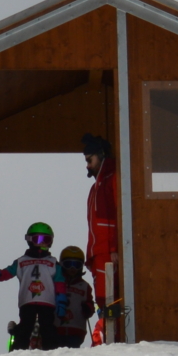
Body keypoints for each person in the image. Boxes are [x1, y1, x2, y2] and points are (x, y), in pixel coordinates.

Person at [0, 222, 62, 351]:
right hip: (27, 300)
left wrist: (61, 300)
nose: (42, 243)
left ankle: (51, 351)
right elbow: (6, 273)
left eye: (46, 240)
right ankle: (19, 350)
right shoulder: (21, 261)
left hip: (47, 301)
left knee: (47, 326)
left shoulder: (53, 262)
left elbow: (60, 282)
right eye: (38, 239)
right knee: (26, 325)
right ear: (30, 240)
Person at [81, 135, 121, 337]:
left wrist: (114, 248)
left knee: (110, 297)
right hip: (98, 253)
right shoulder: (96, 186)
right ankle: (107, 338)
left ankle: (115, 338)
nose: (87, 166)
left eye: (90, 160)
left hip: (107, 251)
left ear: (101, 155)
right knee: (103, 298)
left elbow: (117, 217)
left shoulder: (113, 179)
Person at [54, 247, 95, 347]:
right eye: (68, 264)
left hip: (76, 330)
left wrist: (88, 308)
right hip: (55, 329)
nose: (72, 269)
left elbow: (90, 305)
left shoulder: (84, 286)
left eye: (77, 265)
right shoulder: (55, 283)